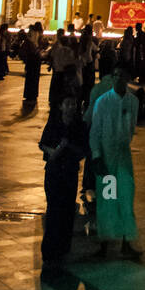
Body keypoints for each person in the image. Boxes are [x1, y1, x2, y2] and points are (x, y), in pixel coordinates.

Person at [90, 64, 141, 258]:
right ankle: (106, 240)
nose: (119, 79)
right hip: (106, 156)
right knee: (107, 198)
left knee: (126, 197)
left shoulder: (132, 102)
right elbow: (95, 130)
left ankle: (127, 241)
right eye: (116, 75)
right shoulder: (103, 102)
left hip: (123, 156)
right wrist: (96, 155)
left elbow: (130, 129)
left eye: (122, 76)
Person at [39, 91, 88, 270]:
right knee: (54, 209)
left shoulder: (79, 126)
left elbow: (83, 149)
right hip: (53, 171)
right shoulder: (54, 123)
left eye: (74, 104)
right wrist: (55, 151)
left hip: (70, 172)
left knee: (67, 209)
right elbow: (43, 143)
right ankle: (50, 249)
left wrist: (69, 147)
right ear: (60, 106)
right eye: (68, 103)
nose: (71, 107)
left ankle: (63, 248)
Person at [22, 22, 43, 111]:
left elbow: (30, 43)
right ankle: (33, 95)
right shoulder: (39, 34)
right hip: (36, 56)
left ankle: (29, 95)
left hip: (32, 56)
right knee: (34, 77)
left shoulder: (31, 33)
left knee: (30, 77)